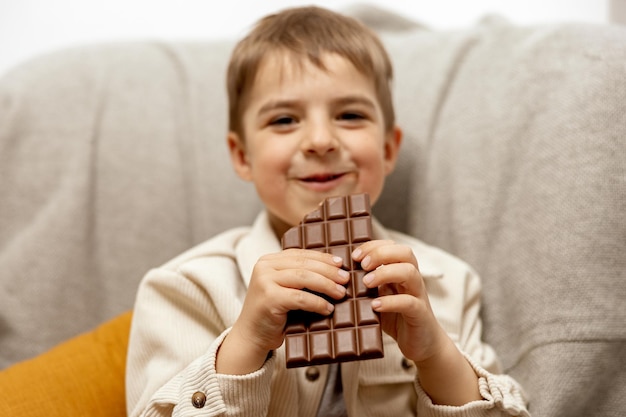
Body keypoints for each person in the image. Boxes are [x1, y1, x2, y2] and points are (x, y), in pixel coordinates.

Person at [125, 6, 529, 417]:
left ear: (388, 149)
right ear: (242, 155)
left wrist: (437, 355)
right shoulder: (184, 288)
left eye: (350, 115)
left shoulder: (447, 285)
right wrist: (245, 343)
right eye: (284, 120)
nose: (320, 140)